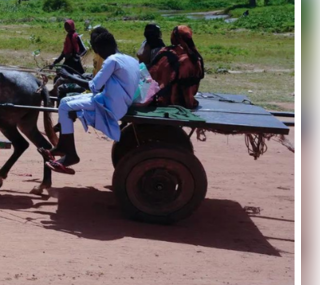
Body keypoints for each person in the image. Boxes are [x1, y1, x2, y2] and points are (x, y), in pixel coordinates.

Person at [41, 28, 139, 174]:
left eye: (97, 50)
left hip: (110, 103)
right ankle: (63, 146)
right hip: (115, 99)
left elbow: (93, 86)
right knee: (66, 101)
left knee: (65, 106)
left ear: (102, 48)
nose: (98, 53)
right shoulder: (129, 59)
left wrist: (68, 75)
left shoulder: (111, 60)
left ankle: (71, 155)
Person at [148, 25, 205, 108]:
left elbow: (152, 73)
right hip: (184, 102)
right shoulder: (195, 58)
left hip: (161, 99)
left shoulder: (164, 51)